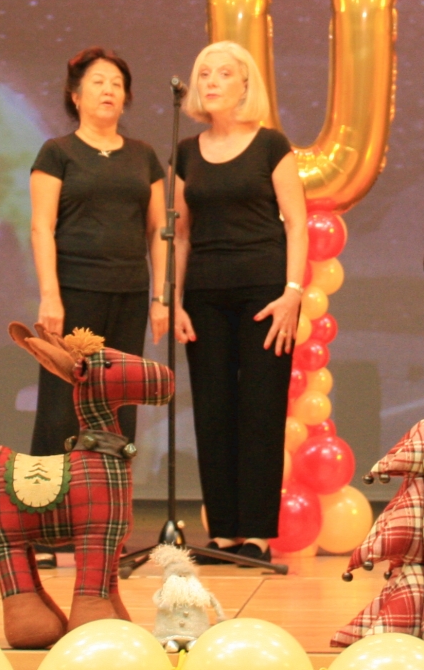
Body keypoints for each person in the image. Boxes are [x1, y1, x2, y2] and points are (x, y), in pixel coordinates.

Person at [171, 40, 308, 562]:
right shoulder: (186, 152)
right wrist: (174, 301)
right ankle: (224, 532)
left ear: (245, 84)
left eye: (223, 73)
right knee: (212, 409)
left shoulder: (271, 144)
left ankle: (256, 534)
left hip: (265, 294)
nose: (210, 81)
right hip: (204, 294)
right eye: (204, 72)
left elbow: (296, 224)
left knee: (261, 410)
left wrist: (292, 294)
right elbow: (180, 234)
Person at [29, 47, 168, 456]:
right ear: (75, 96)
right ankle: (55, 491)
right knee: (65, 403)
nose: (109, 90)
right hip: (74, 293)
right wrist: (50, 297)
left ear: (125, 98)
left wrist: (160, 298)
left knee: (118, 402)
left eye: (117, 84)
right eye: (98, 82)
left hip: (129, 293)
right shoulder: (57, 152)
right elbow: (41, 227)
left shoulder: (143, 155)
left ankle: (109, 489)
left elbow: (158, 230)